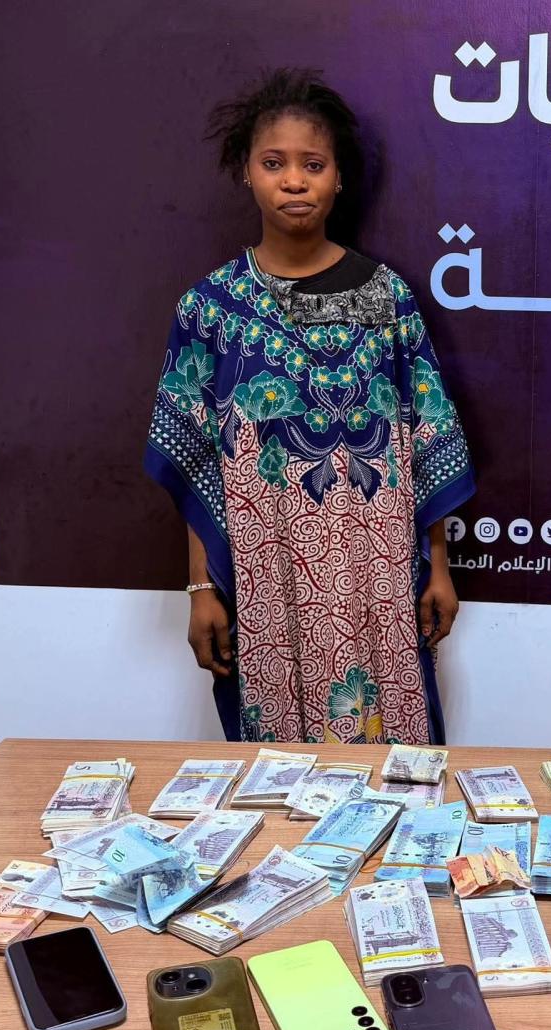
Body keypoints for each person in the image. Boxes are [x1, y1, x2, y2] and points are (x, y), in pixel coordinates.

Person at [145, 69, 474, 745]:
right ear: (246, 172)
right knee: (279, 777)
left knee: (393, 762)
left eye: (313, 165)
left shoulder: (387, 298)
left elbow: (427, 436)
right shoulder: (210, 310)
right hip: (267, 578)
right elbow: (197, 460)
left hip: (378, 575)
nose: (294, 181)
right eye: (274, 163)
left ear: (339, 177)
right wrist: (200, 589)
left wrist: (439, 568)